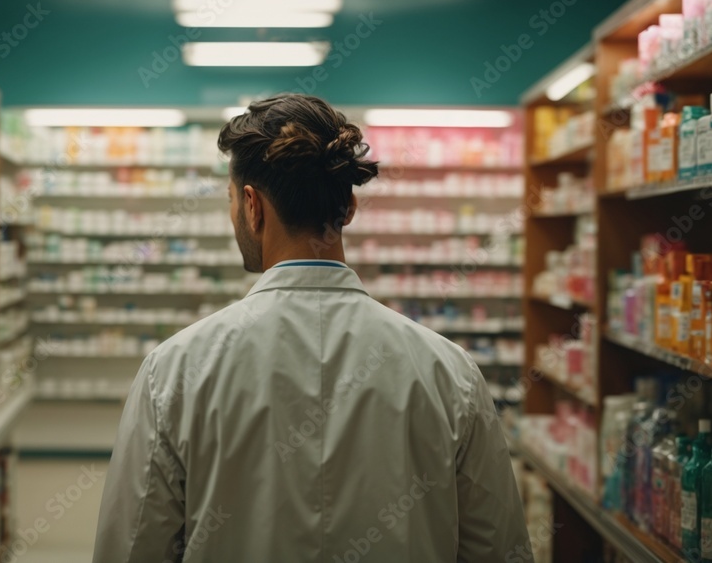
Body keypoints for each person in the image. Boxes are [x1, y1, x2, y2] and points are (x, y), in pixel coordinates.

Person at [93, 94, 530, 562]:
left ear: (251, 205)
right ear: (349, 209)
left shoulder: (174, 371)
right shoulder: (450, 373)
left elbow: (132, 549)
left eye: (230, 202)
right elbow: (500, 551)